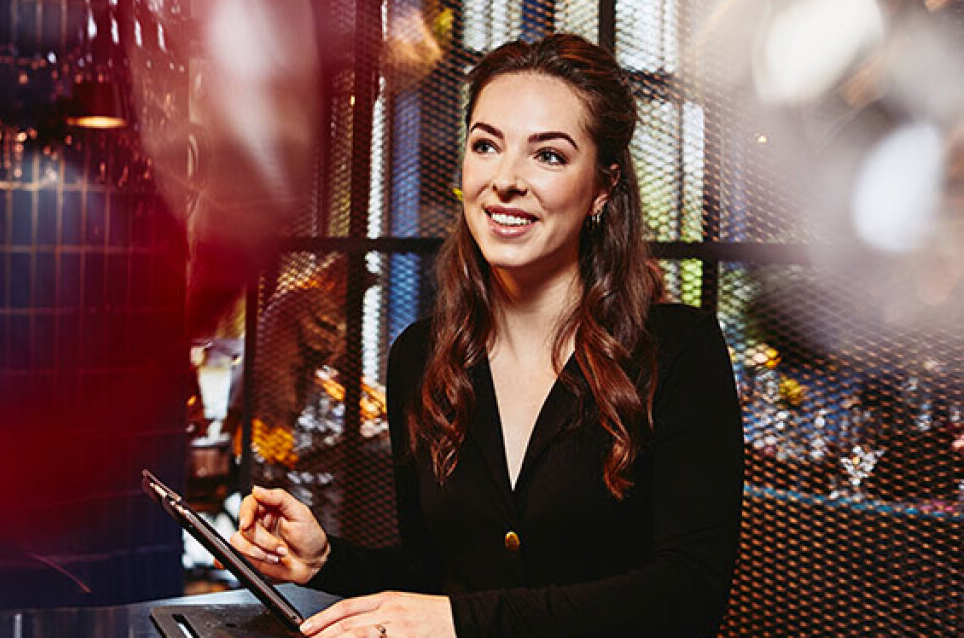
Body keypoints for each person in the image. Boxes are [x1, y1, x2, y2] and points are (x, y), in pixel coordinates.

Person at [229, 34, 744, 638]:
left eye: (548, 155)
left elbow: (688, 594)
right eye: (486, 145)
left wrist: (462, 621)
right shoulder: (421, 357)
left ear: (602, 188)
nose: (505, 180)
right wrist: (327, 562)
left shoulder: (679, 351)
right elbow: (436, 577)